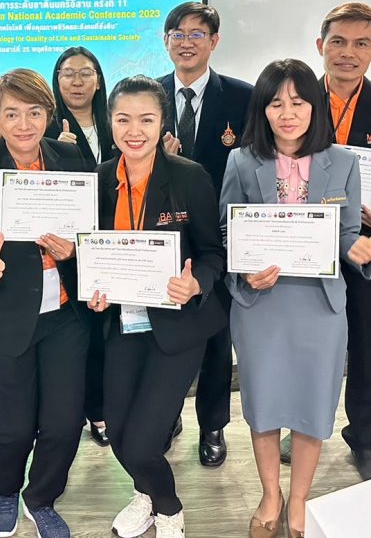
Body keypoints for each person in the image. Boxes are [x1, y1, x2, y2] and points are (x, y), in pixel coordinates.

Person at [220, 59, 371, 538]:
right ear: (262, 110)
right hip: (262, 304)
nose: (287, 113)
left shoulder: (343, 161)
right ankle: (270, 494)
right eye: (276, 103)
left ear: (315, 106)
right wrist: (245, 270)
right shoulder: (241, 160)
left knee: (312, 406)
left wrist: (358, 249)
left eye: (297, 102)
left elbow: (348, 231)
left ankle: (298, 500)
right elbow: (228, 230)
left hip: (320, 306)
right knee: (264, 403)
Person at [86, 75, 226, 538]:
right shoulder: (99, 180)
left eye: (146, 120)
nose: (134, 131)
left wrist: (196, 282)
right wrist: (92, 289)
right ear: (110, 123)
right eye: (123, 119)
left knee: (143, 440)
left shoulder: (189, 176)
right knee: (118, 430)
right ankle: (146, 495)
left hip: (178, 326)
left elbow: (213, 253)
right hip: (121, 323)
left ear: (163, 122)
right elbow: (90, 253)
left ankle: (168, 508)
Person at [277, 3, 371, 479]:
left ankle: (364, 438)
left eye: (360, 43)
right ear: (320, 45)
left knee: (366, 342)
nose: (347, 53)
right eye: (338, 41)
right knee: (304, 343)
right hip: (303, 246)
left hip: (368, 248)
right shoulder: (295, 99)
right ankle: (300, 425)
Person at [0, 69, 91, 538]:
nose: (24, 124)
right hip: (4, 315)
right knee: (14, 423)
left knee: (64, 421)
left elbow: (92, 226)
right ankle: (6, 491)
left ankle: (42, 497)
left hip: (66, 314)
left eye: (34, 112)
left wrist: (77, 249)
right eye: (11, 114)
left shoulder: (71, 158)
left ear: (49, 114)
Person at [157, 2, 252, 467]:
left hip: (219, 239)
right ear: (166, 41)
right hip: (161, 238)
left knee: (216, 336)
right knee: (165, 334)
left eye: (197, 34)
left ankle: (213, 424)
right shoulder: (148, 94)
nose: (186, 42)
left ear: (214, 42)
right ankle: (166, 414)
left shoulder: (242, 97)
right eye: (177, 33)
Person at [47, 46, 114, 447]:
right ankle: (94, 411)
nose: (76, 82)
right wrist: (58, 150)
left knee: (111, 332)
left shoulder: (114, 122)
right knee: (85, 333)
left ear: (99, 80)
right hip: (69, 250)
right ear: (56, 81)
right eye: (67, 74)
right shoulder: (48, 129)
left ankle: (111, 404)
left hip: (113, 242)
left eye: (85, 73)